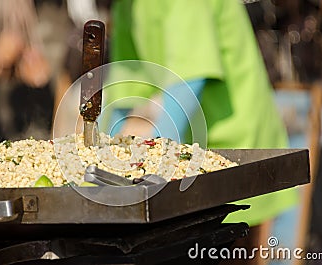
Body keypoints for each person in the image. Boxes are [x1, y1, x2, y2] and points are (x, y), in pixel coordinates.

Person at [103, 0, 298, 262]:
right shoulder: (126, 5)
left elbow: (188, 83)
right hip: (189, 152)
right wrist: (104, 160)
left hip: (237, 146)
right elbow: (125, 93)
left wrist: (138, 167)